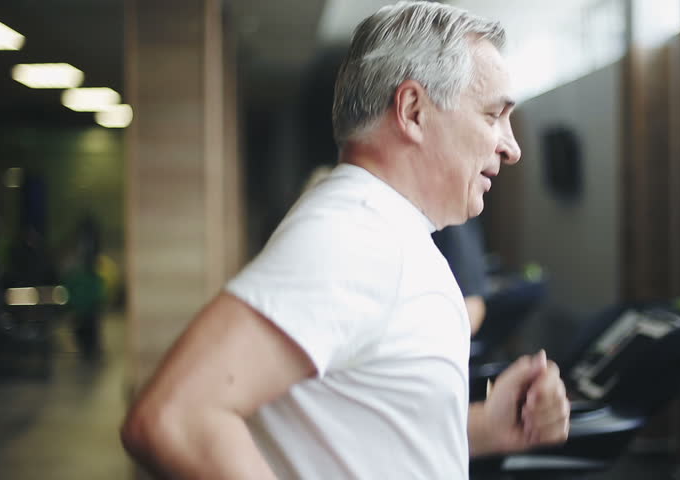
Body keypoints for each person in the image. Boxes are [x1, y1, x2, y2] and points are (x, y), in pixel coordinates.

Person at [120, 2, 570, 479]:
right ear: (413, 111)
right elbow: (176, 417)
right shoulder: (354, 235)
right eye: (492, 115)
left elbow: (362, 439)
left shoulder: (388, 230)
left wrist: (486, 429)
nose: (511, 146)